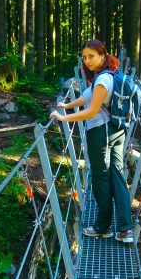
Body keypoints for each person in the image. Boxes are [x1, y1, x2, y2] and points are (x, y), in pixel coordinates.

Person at [50, 40, 134, 243]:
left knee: (101, 177)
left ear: (103, 56)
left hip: (101, 133)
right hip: (116, 130)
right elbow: (89, 97)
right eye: (84, 57)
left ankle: (102, 227)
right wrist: (68, 104)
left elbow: (92, 110)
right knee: (117, 175)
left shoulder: (102, 79)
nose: (87, 61)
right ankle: (125, 229)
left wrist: (63, 118)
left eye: (91, 56)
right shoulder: (107, 75)